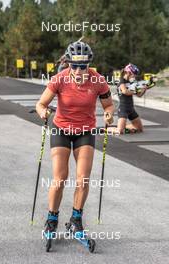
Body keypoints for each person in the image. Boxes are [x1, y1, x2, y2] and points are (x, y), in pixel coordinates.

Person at [36, 41, 114, 239]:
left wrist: (108, 114)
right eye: (74, 66)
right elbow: (41, 103)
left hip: (85, 132)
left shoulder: (98, 81)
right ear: (68, 64)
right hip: (61, 129)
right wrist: (43, 112)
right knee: (60, 177)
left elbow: (108, 105)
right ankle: (52, 219)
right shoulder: (60, 79)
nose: (78, 71)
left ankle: (75, 221)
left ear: (89, 65)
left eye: (83, 66)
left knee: (83, 179)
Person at [112, 63, 147, 134]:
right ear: (128, 72)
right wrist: (135, 90)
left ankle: (124, 127)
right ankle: (106, 129)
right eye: (133, 74)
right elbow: (125, 91)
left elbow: (139, 95)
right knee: (119, 131)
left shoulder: (131, 82)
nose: (134, 76)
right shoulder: (121, 80)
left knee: (140, 129)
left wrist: (144, 89)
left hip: (131, 109)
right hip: (123, 109)